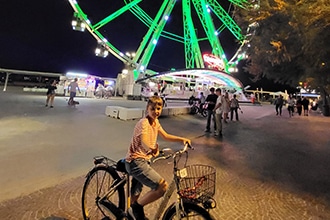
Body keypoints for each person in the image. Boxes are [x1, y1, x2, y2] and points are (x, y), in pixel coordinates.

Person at [125, 96, 191, 220]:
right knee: (162, 187)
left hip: (145, 161)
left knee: (136, 193)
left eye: (158, 108)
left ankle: (131, 213)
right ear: (147, 109)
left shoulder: (155, 122)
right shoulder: (143, 123)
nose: (156, 111)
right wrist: (151, 148)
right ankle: (136, 209)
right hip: (135, 161)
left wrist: (182, 139)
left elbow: (165, 136)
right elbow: (144, 141)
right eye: (153, 108)